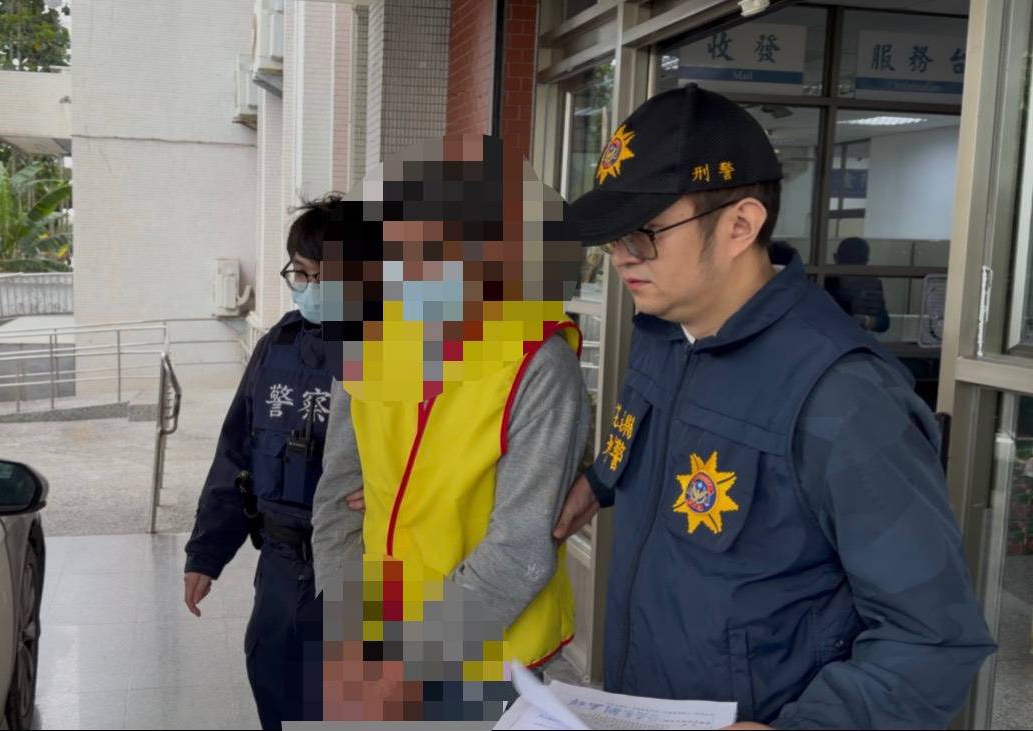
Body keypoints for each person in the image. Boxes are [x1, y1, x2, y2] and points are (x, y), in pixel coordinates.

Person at [552, 83, 995, 729]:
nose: (620, 258)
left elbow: (933, 639)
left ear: (740, 224)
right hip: (646, 698)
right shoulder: (663, 333)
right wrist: (595, 484)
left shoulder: (843, 396)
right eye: (613, 236)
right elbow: (641, 436)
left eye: (643, 235)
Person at [310, 134, 591, 721]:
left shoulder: (539, 365)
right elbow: (337, 502)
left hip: (492, 658)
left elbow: (520, 547)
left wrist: (413, 661)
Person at [183, 193, 350, 730]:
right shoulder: (277, 346)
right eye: (302, 273)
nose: (311, 287)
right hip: (280, 560)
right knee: (275, 687)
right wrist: (206, 553)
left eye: (328, 276)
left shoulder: (397, 354)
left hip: (359, 566)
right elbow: (236, 452)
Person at [826, 236, 891, 333]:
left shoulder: (871, 285)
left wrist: (866, 320)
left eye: (857, 263)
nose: (851, 275)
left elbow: (883, 323)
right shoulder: (824, 282)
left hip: (853, 338)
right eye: (848, 263)